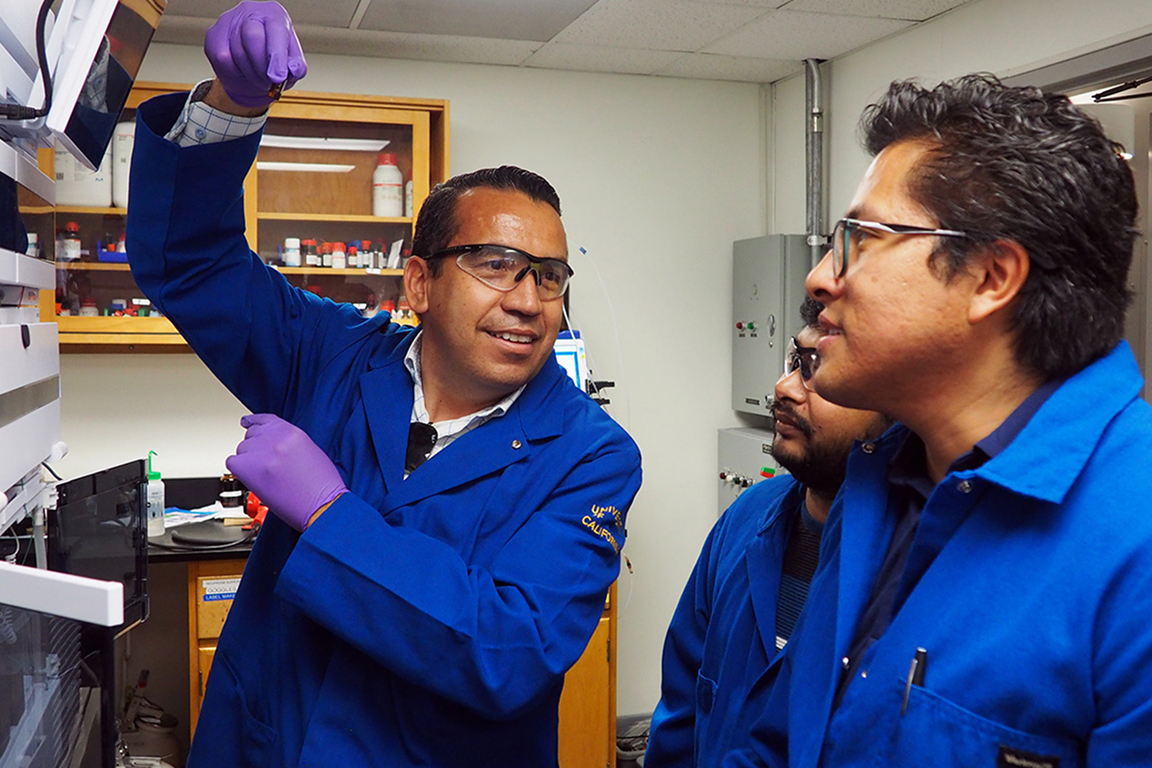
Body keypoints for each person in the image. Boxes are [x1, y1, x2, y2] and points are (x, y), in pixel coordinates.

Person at [125, 3, 642, 767]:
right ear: (419, 282)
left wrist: (331, 515)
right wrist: (229, 110)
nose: (530, 300)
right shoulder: (331, 353)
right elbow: (191, 264)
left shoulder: (591, 455)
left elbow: (508, 652)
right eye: (496, 265)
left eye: (550, 277)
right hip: (266, 744)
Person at [724, 73, 1152, 768]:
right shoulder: (877, 482)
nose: (819, 278)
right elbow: (788, 743)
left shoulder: (1134, 545)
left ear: (991, 277)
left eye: (859, 239)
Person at [645, 298, 890, 768]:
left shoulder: (908, 556)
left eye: (818, 370)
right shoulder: (749, 515)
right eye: (796, 363)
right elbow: (681, 708)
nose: (784, 388)